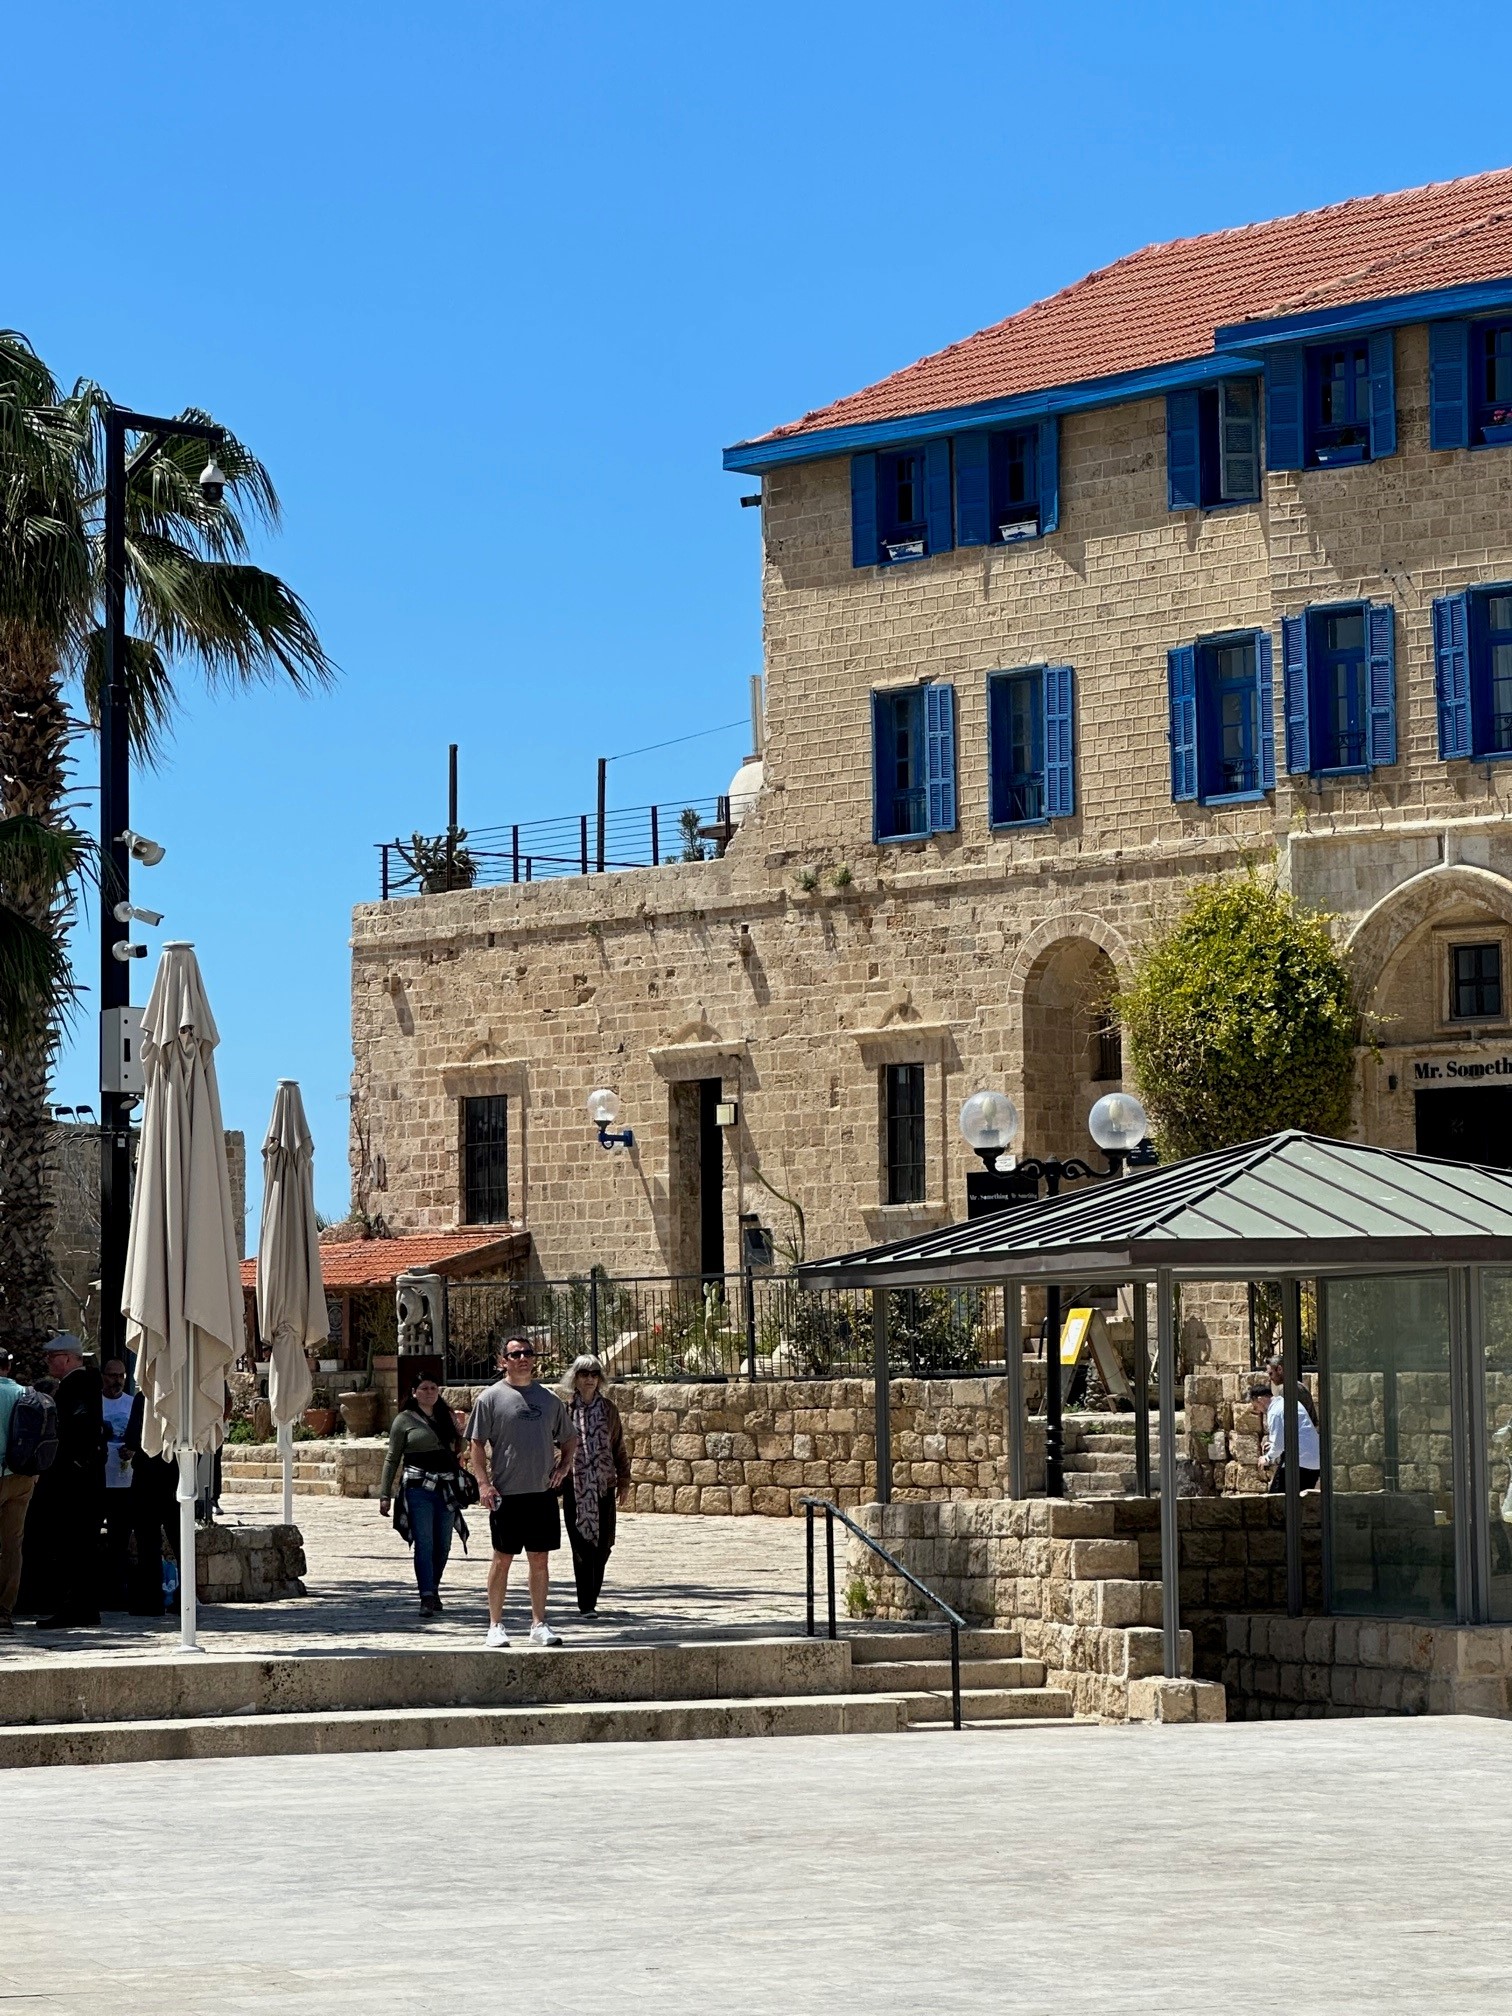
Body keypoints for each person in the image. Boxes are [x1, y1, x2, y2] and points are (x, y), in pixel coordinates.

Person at [468, 1336, 577, 1649]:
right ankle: (495, 1625)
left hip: (541, 1493)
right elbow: (476, 1443)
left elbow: (569, 1438)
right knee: (502, 1559)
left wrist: (563, 1467)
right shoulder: (489, 1399)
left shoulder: (549, 1400)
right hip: (506, 1494)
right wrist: (483, 1483)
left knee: (540, 1560)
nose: (522, 1359)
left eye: (527, 1353)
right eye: (515, 1354)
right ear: (503, 1361)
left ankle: (539, 1623)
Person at [32, 1335, 104, 1630]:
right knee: (79, 1545)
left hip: (76, 1482)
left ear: (68, 1358)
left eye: (52, 1357)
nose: (48, 1362)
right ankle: (82, 1606)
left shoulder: (78, 1385)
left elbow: (79, 1428)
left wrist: (73, 1463)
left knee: (74, 1545)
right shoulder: (82, 1384)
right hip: (81, 1478)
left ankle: (76, 1607)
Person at [378, 1376, 466, 1614]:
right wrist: (385, 1494)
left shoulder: (446, 1417)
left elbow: (460, 1449)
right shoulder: (404, 1420)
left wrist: (460, 1432)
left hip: (446, 1488)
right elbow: (392, 1458)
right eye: (424, 1388)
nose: (429, 1392)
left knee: (443, 1544)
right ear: (414, 1392)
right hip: (418, 1489)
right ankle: (426, 1595)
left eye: (433, 1388)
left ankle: (433, 1588)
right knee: (424, 1543)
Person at [562, 1354, 631, 1617]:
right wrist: (563, 1467)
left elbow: (618, 1445)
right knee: (581, 1545)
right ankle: (587, 1603)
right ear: (575, 1378)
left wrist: (624, 1479)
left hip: (603, 1484)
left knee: (604, 1544)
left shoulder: (609, 1410)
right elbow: (554, 1445)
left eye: (594, 1374)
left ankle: (592, 1593)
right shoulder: (565, 1410)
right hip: (576, 1485)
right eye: (584, 1374)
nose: (589, 1379)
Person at [121, 1387, 179, 1617]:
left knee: (148, 1542)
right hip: (177, 1476)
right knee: (180, 1540)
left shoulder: (143, 1397)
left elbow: (133, 1437)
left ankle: (151, 1599)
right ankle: (185, 1596)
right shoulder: (183, 1397)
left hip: (147, 1477)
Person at [0, 1349, 36, 1632]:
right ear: (8, 1367)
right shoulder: (26, 1394)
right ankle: (4, 1611)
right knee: (13, 1545)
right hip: (22, 1476)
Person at [99, 1359, 134, 1610]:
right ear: (103, 1376)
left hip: (125, 1481)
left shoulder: (132, 1404)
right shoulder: (95, 1404)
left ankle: (118, 1593)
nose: (117, 1381)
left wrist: (132, 1450)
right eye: (112, 1375)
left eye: (121, 1375)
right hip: (100, 1481)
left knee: (120, 1540)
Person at [1262, 1354, 1320, 1493]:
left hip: (1299, 1451)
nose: (1270, 1378)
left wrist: (1277, 1444)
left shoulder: (1289, 1389)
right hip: (1301, 1449)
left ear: (1280, 1369)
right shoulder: (1295, 1386)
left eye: (1271, 1373)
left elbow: (1295, 1421)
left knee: (1279, 1494)